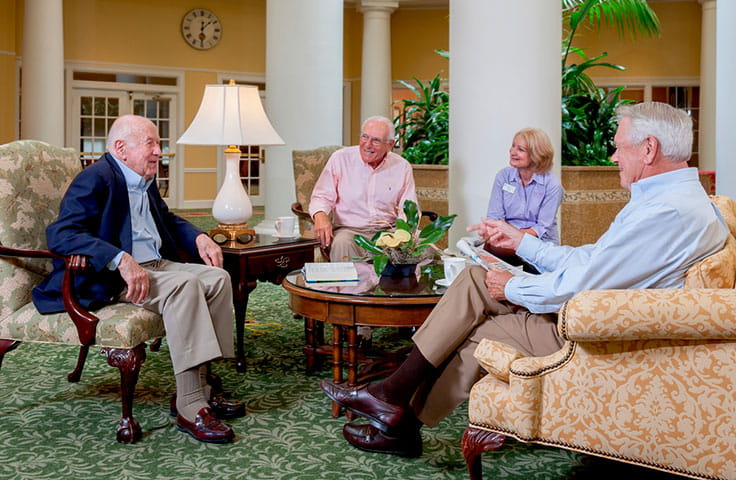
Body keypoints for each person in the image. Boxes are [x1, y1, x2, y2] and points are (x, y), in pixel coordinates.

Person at [320, 102, 729, 458]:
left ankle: (399, 418)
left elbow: (582, 284)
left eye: (619, 146)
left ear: (649, 148)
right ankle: (392, 401)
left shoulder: (666, 213)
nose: (613, 155)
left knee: (483, 329)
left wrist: (512, 287)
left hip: (593, 332)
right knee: (475, 279)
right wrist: (520, 243)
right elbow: (591, 259)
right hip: (593, 309)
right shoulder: (672, 201)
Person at [32, 114, 243, 444]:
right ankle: (190, 407)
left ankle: (200, 387)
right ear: (120, 147)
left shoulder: (143, 180)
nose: (159, 151)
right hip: (114, 279)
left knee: (217, 278)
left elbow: (167, 220)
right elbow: (62, 234)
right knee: (187, 286)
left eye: (159, 144)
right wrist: (119, 258)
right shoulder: (96, 178)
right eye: (151, 143)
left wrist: (199, 236)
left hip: (157, 264)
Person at [309, 115, 419, 262]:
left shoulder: (402, 166)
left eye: (376, 140)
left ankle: (401, 285)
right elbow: (322, 196)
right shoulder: (340, 159)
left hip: (389, 232)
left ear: (390, 144)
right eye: (364, 137)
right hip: (350, 231)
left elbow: (409, 207)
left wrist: (400, 235)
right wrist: (321, 215)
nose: (367, 145)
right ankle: (344, 286)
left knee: (425, 247)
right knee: (342, 243)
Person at [485, 128, 563, 269]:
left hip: (539, 242)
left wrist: (514, 238)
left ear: (536, 155)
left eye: (520, 149)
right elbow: (495, 217)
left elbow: (542, 228)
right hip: (506, 239)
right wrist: (500, 235)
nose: (512, 152)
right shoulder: (503, 177)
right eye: (513, 146)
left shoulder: (552, 185)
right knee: (488, 252)